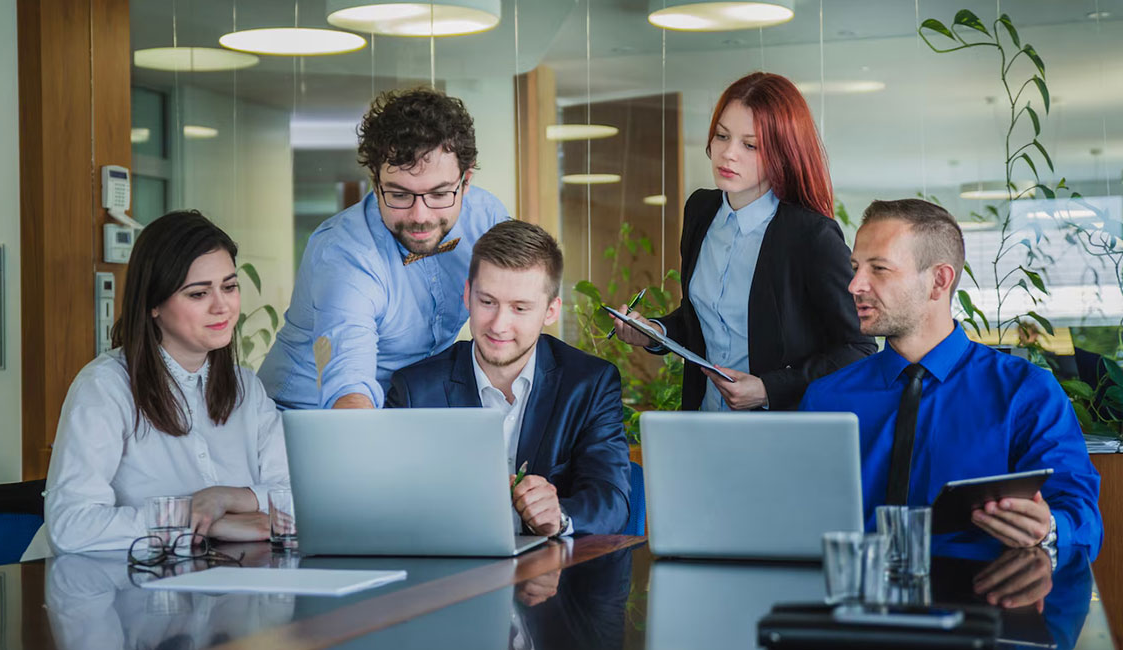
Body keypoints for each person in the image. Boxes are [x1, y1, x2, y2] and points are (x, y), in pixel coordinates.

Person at [800, 199, 1102, 558]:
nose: (855, 285)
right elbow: (795, 514)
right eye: (855, 267)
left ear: (938, 281)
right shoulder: (825, 399)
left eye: (878, 269)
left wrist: (1048, 527)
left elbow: (1082, 519)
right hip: (854, 602)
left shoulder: (1025, 392)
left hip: (983, 600)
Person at [611, 72, 874, 411]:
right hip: (705, 420)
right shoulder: (701, 211)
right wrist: (656, 332)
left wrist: (770, 388)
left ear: (783, 153)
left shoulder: (810, 235)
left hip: (778, 435)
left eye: (750, 145)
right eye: (722, 136)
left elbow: (858, 349)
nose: (728, 154)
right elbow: (706, 322)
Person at [43, 210, 290, 554]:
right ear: (154, 304)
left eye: (229, 287)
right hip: (103, 592)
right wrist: (199, 520)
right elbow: (71, 527)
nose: (223, 307)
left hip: (217, 581)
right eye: (198, 294)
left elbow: (294, 497)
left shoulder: (247, 388)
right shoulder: (104, 388)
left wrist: (225, 499)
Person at [259, 87, 511, 410]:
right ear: (375, 182)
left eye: (439, 194)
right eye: (399, 194)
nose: (420, 217)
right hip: (302, 422)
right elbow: (349, 389)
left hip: (402, 411)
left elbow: (520, 311)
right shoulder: (345, 254)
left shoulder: (486, 218)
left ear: (466, 181)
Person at [386, 220, 631, 536]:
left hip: (554, 577)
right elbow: (391, 504)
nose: (499, 325)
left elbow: (611, 500)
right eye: (487, 302)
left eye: (520, 308)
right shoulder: (414, 390)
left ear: (551, 311)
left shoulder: (590, 384)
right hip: (449, 576)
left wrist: (560, 516)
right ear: (467, 295)